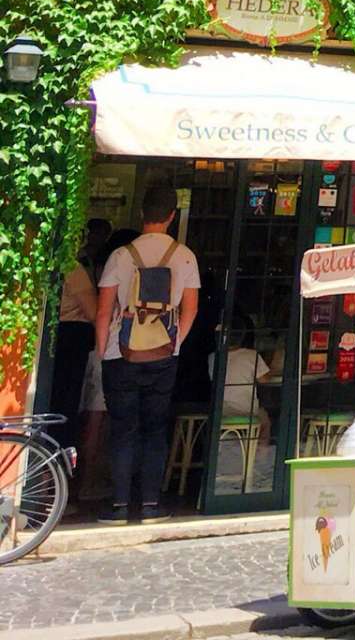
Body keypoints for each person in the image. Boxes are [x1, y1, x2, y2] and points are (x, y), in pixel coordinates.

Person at [95, 184, 200, 523]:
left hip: (120, 354)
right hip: (163, 354)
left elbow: (103, 309)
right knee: (155, 429)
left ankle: (120, 505)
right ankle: (152, 504)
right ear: (172, 215)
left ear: (142, 213)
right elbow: (191, 308)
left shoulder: (120, 255)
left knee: (123, 428)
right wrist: (176, 342)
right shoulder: (185, 255)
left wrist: (103, 349)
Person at [51, 221, 109, 448]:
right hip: (73, 335)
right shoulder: (73, 269)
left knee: (54, 396)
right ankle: (60, 451)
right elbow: (94, 311)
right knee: (66, 398)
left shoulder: (53, 265)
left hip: (57, 334)